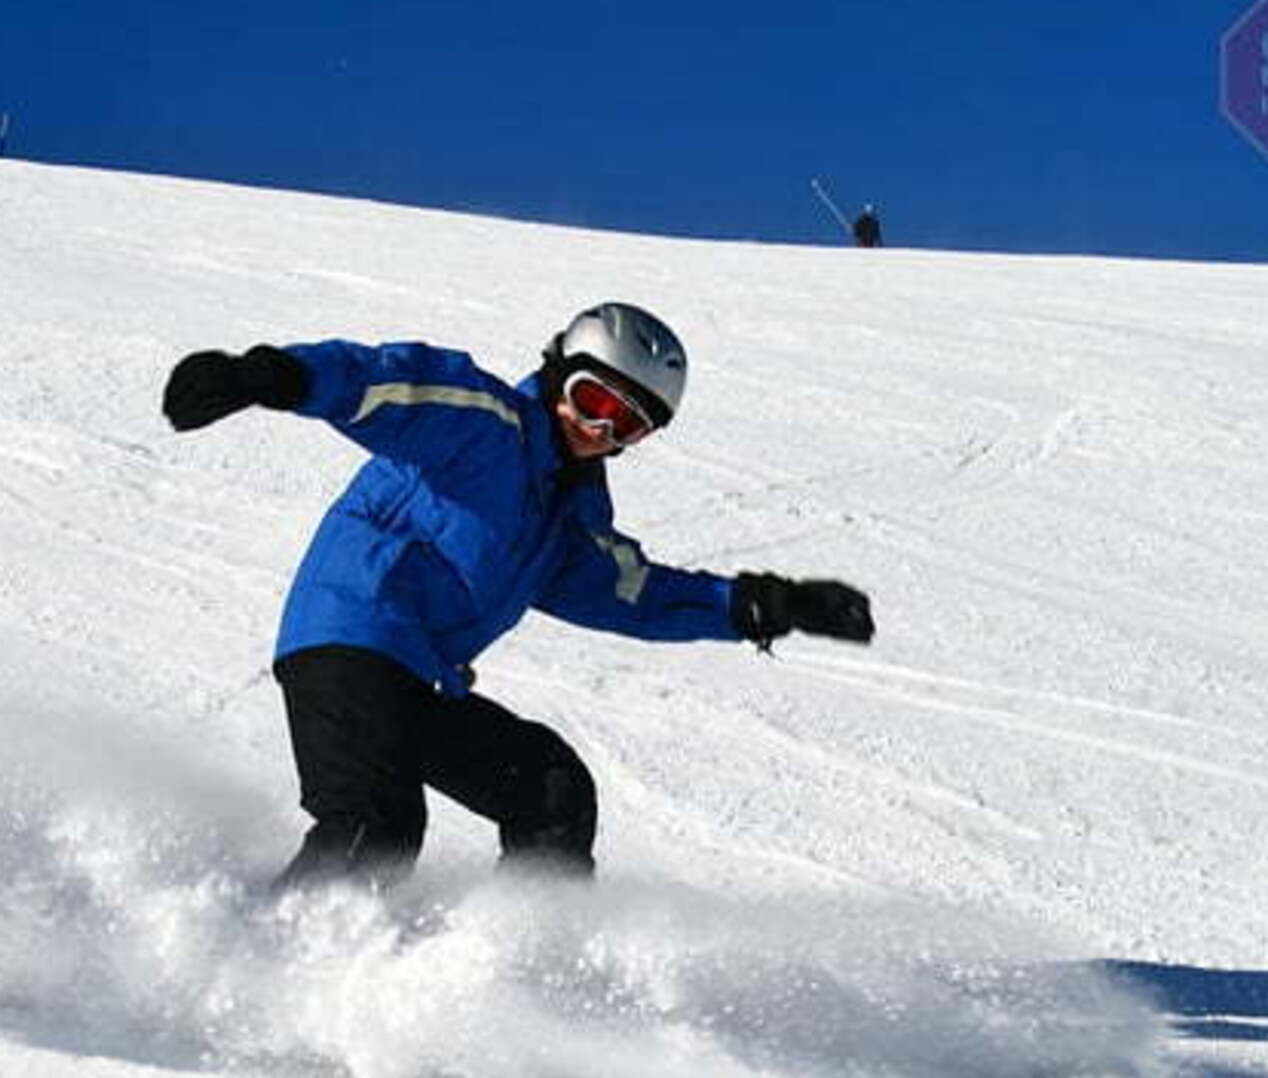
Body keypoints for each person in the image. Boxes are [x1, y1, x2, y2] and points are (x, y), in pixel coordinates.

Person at [162, 303, 876, 888]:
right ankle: (261, 961)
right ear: (559, 371)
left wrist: (763, 604)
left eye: (628, 424)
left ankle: (526, 961)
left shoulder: (565, 523)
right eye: (593, 400)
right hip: (350, 636)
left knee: (550, 787)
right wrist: (273, 375)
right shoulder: (484, 425)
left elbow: (635, 592)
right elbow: (389, 386)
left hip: (420, 678)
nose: (600, 430)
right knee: (376, 826)